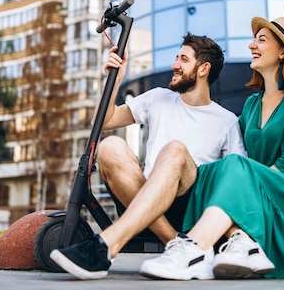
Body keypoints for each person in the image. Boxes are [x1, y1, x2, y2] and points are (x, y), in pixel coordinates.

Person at [139, 16, 284, 280]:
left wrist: (251, 183)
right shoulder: (251, 105)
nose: (252, 45)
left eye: (261, 40)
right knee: (215, 169)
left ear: (283, 51)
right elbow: (239, 157)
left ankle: (193, 249)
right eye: (254, 39)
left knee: (234, 167)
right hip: (258, 196)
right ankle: (236, 246)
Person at [50, 33, 247, 279]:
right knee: (110, 146)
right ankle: (180, 245)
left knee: (175, 150)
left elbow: (234, 179)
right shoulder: (157, 98)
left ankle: (107, 246)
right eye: (177, 57)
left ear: (203, 69)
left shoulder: (227, 121)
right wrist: (114, 80)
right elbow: (102, 121)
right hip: (140, 196)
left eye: (183, 59)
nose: (175, 64)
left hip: (187, 208)